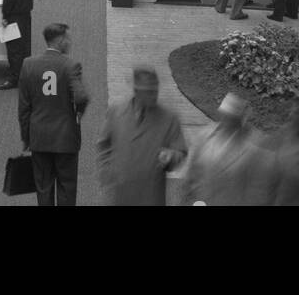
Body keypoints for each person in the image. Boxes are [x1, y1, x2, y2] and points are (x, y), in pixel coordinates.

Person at [18, 22, 90, 206]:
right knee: (67, 187)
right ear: (60, 41)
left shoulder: (28, 64)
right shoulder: (71, 65)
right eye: (68, 39)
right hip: (65, 138)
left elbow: (24, 107)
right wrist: (78, 113)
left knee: (43, 187)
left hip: (39, 137)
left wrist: (26, 137)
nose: (70, 42)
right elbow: (81, 96)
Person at [96, 66, 187, 206]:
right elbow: (103, 144)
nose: (154, 95)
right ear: (137, 92)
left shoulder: (169, 119)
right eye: (149, 92)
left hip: (150, 196)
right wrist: (106, 172)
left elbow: (181, 151)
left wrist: (171, 156)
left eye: (155, 90)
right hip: (119, 194)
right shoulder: (116, 112)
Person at [184, 93, 267, 206]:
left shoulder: (254, 144)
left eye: (230, 117)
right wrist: (189, 190)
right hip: (204, 200)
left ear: (239, 118)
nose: (225, 119)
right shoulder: (205, 134)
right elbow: (193, 169)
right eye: (224, 115)